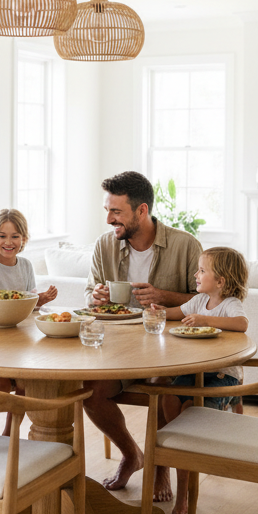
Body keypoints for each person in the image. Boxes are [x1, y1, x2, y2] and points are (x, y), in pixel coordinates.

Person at [81, 171, 203, 492]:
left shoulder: (185, 245)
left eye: (116, 212)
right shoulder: (104, 245)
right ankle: (131, 454)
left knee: (161, 385)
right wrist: (96, 297)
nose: (109, 219)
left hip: (170, 349)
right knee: (90, 393)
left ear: (141, 211)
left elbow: (207, 303)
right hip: (118, 347)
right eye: (107, 210)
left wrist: (165, 297)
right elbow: (87, 294)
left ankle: (160, 466)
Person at [151, 246, 249, 514]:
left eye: (202, 270)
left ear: (221, 281)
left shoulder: (230, 305)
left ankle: (184, 492)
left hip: (220, 375)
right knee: (170, 402)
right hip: (193, 372)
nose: (195, 274)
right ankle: (180, 455)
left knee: (188, 416)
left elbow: (242, 324)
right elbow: (175, 313)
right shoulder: (197, 301)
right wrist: (158, 310)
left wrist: (205, 319)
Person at [0, 208, 57, 435]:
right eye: (2, 236)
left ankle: (9, 432)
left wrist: (40, 300)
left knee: (25, 384)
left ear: (24, 239)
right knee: (0, 385)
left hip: (19, 336)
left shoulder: (26, 266)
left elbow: (28, 303)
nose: (8, 242)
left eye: (15, 236)